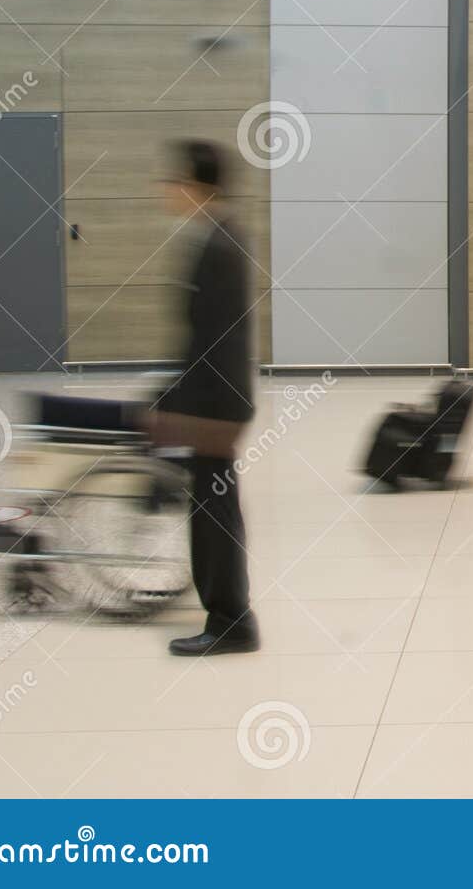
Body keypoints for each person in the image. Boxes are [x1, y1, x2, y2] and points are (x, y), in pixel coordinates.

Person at [154, 140, 258, 657]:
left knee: (213, 514)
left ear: (198, 186)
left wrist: (177, 402)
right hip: (216, 399)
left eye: (175, 181)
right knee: (215, 509)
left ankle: (231, 622)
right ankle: (229, 616)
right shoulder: (218, 236)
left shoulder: (217, 245)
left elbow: (215, 338)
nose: (168, 191)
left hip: (215, 404)